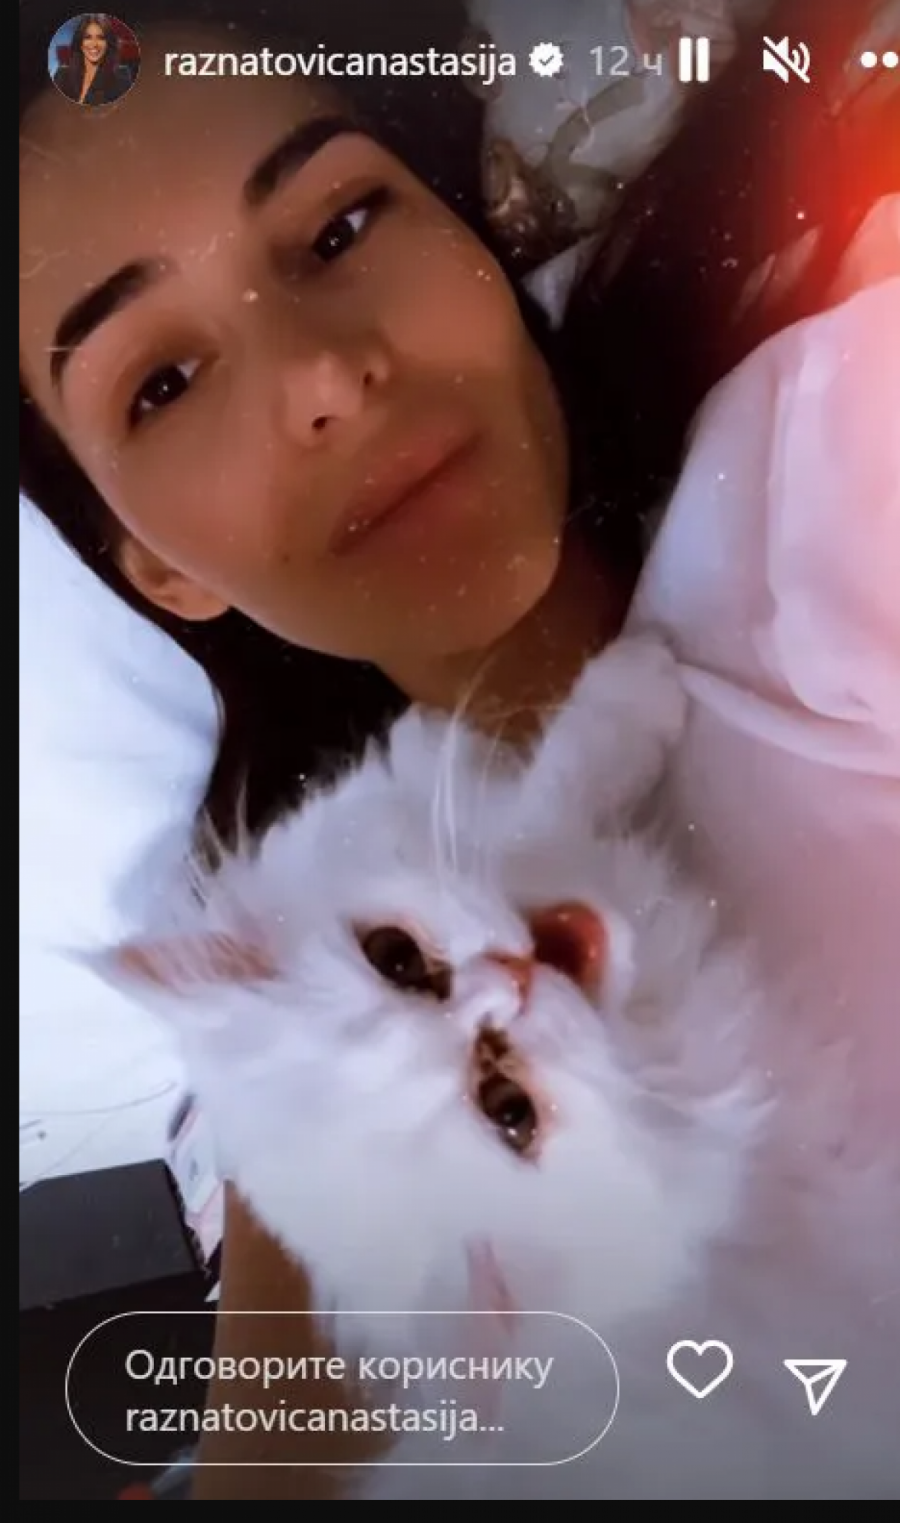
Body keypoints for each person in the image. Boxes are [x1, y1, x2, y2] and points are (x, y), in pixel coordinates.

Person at [19, 0, 899, 1499]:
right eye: (161, 381)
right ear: (161, 569)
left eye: (340, 225)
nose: (324, 376)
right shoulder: (285, 1044)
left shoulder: (817, 476)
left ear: (475, 244)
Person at [51, 13, 134, 106]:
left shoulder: (121, 76)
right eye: (88, 37)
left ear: (108, 43)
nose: (94, 44)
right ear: (80, 43)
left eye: (101, 38)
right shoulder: (62, 75)